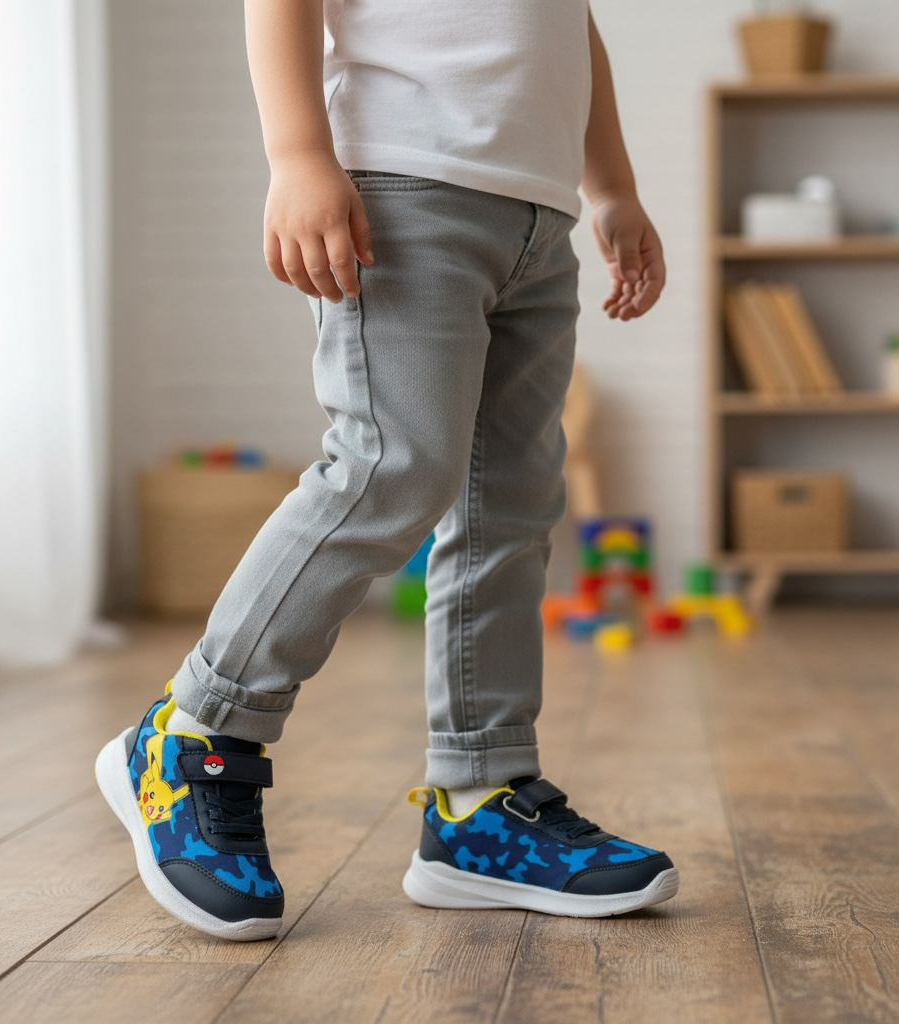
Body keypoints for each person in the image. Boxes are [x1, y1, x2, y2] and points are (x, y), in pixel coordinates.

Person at [96, 0, 676, 942]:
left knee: (511, 507)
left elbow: (573, 28)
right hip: (404, 187)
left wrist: (609, 186)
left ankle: (478, 801)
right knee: (391, 467)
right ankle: (195, 734)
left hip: (539, 217)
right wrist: (298, 157)